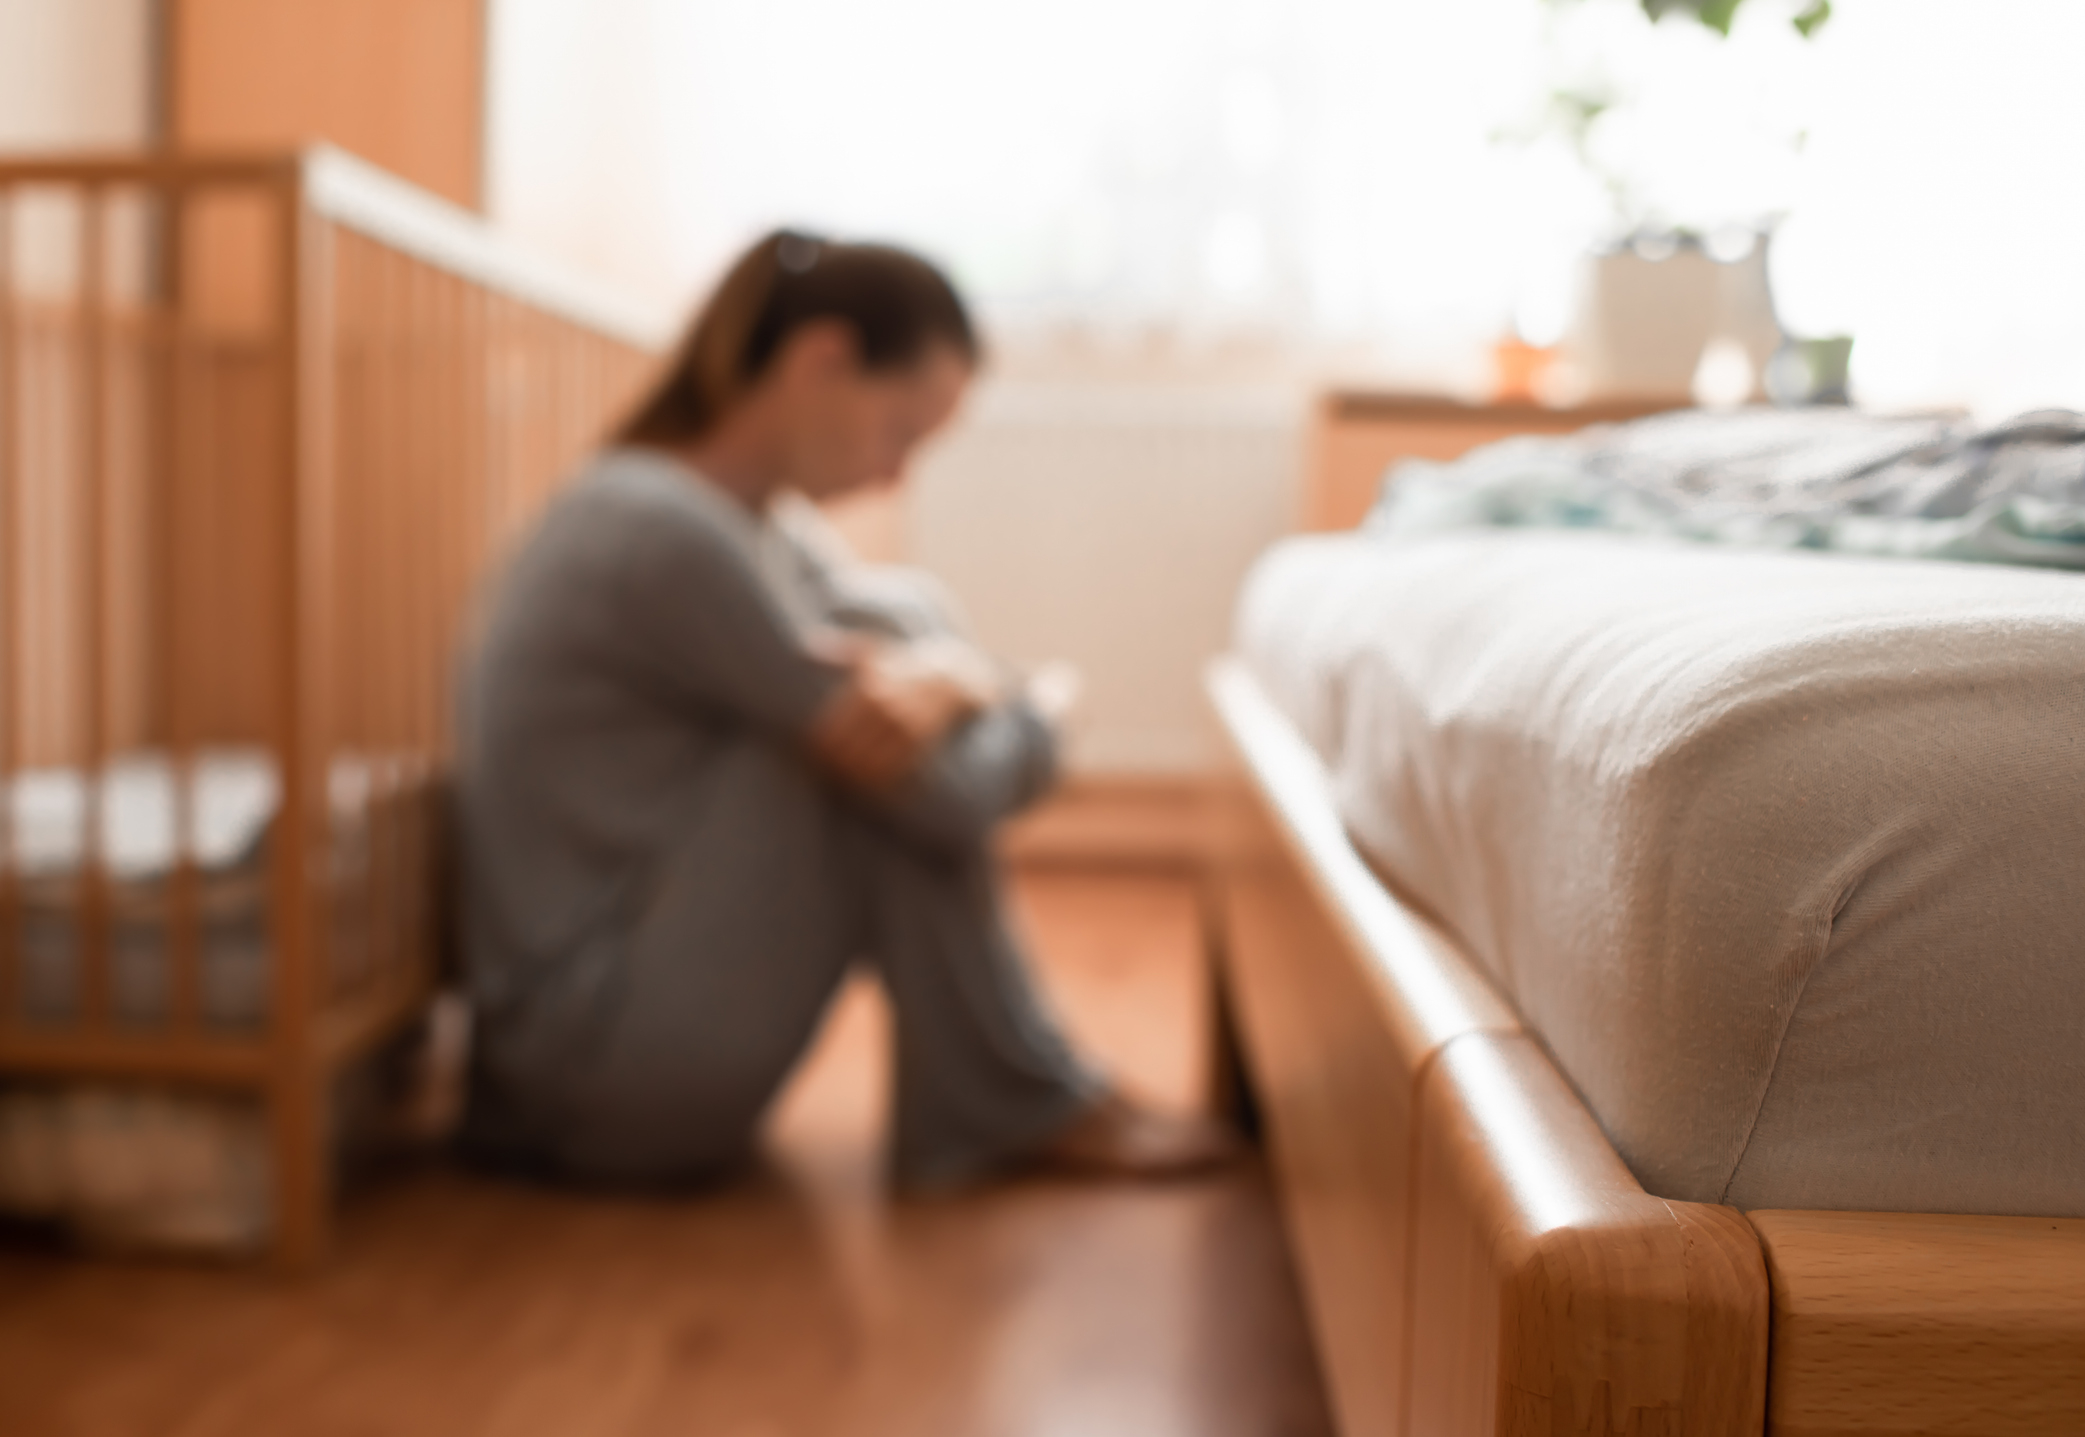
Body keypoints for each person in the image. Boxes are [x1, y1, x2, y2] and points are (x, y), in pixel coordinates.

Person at [455, 230, 1234, 1191]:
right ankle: (1023, 1099)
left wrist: (954, 677)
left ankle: (1021, 1097)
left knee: (896, 616)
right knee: (866, 758)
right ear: (822, 358)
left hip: (612, 1038)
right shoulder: (659, 533)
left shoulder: (757, 526)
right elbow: (946, 794)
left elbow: (925, 673)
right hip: (591, 1072)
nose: (894, 476)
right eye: (899, 432)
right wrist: (1043, 710)